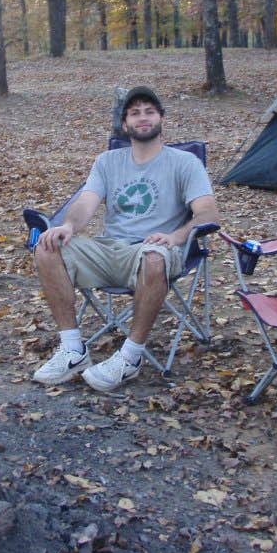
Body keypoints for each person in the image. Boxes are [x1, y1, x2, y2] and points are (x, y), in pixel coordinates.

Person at [32, 86, 221, 392]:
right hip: (111, 249)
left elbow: (208, 215)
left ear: (161, 117)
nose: (143, 118)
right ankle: (72, 350)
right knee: (46, 249)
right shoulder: (107, 162)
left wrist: (175, 237)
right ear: (125, 124)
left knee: (153, 256)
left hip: (157, 250)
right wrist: (68, 226)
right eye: (135, 113)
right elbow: (86, 203)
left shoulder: (185, 163)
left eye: (149, 111)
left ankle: (131, 357)